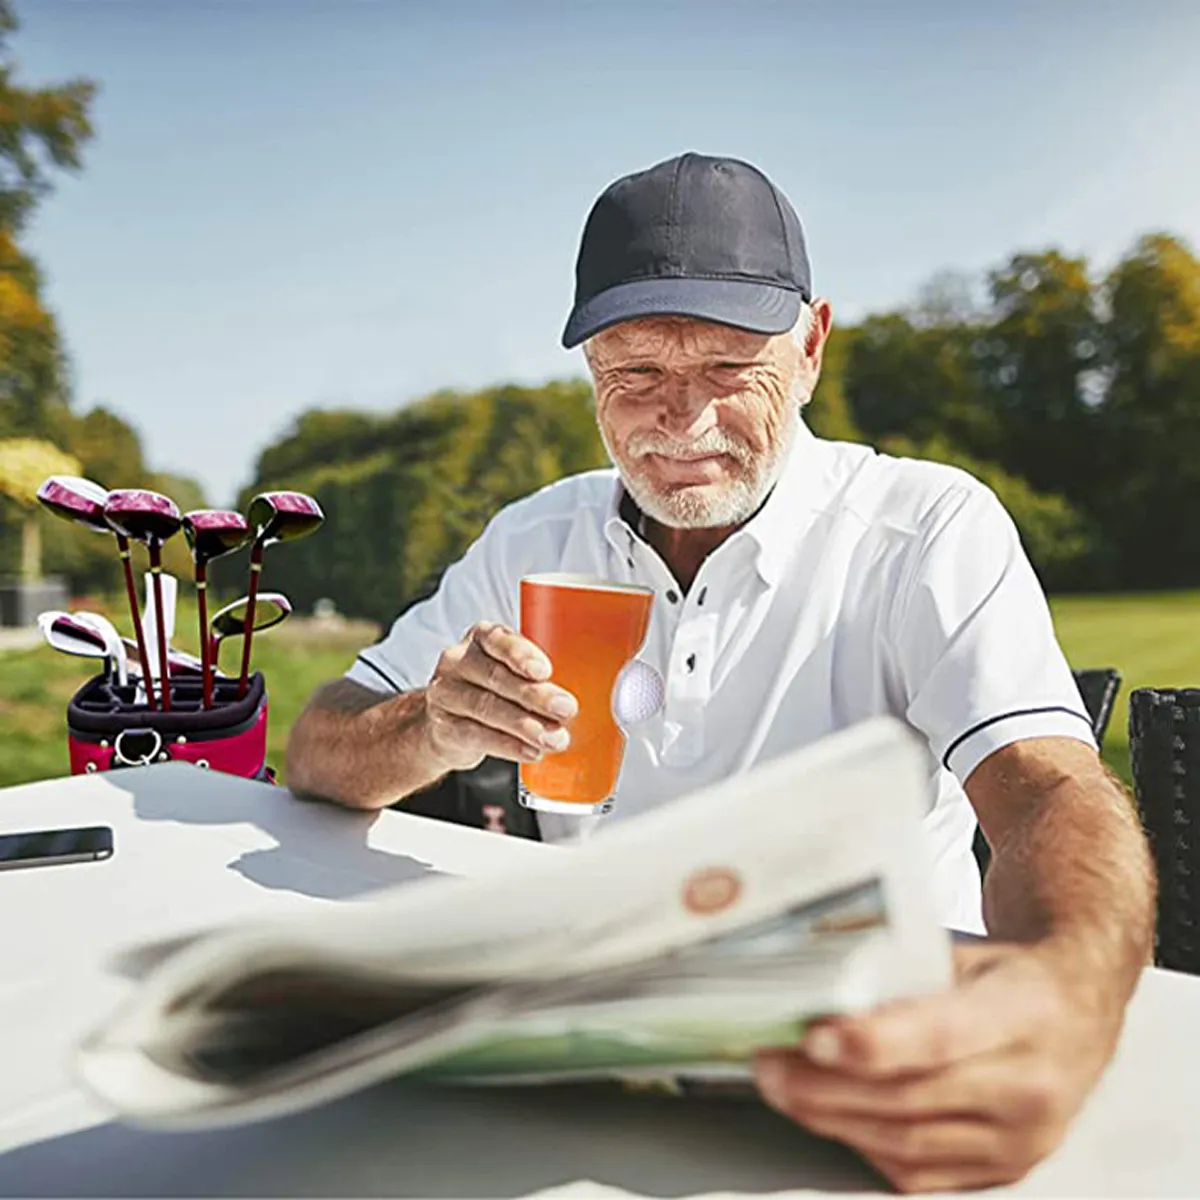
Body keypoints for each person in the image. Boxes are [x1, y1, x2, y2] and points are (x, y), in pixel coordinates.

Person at [287, 152, 1154, 1192]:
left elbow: (1050, 789)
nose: (681, 420)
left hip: (868, 1054)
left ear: (812, 347)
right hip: (592, 1047)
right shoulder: (533, 538)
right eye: (636, 372)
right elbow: (319, 747)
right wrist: (432, 722)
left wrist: (1069, 995)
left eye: (730, 368)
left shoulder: (923, 526)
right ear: (590, 370)